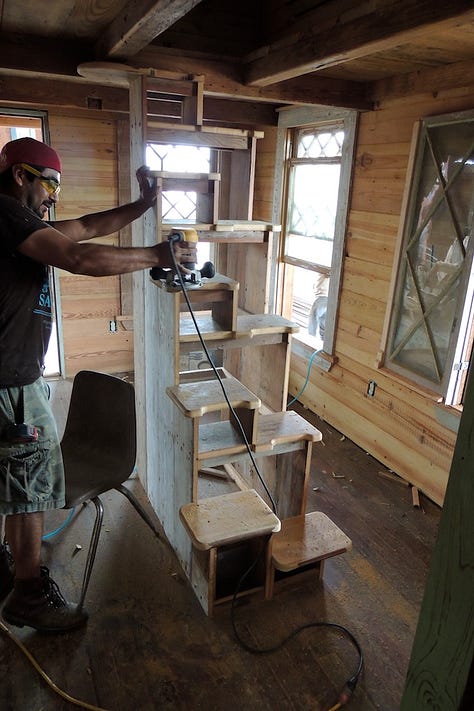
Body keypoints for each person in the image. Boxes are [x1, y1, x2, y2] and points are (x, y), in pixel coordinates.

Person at [0, 137, 196, 633]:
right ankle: (27, 595)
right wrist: (157, 254)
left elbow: (86, 228)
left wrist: (143, 205)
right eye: (50, 185)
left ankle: (4, 567)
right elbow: (79, 256)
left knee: (15, 480)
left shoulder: (19, 221)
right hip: (11, 387)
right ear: (20, 176)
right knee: (30, 488)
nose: (54, 198)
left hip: (13, 381)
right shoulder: (4, 213)